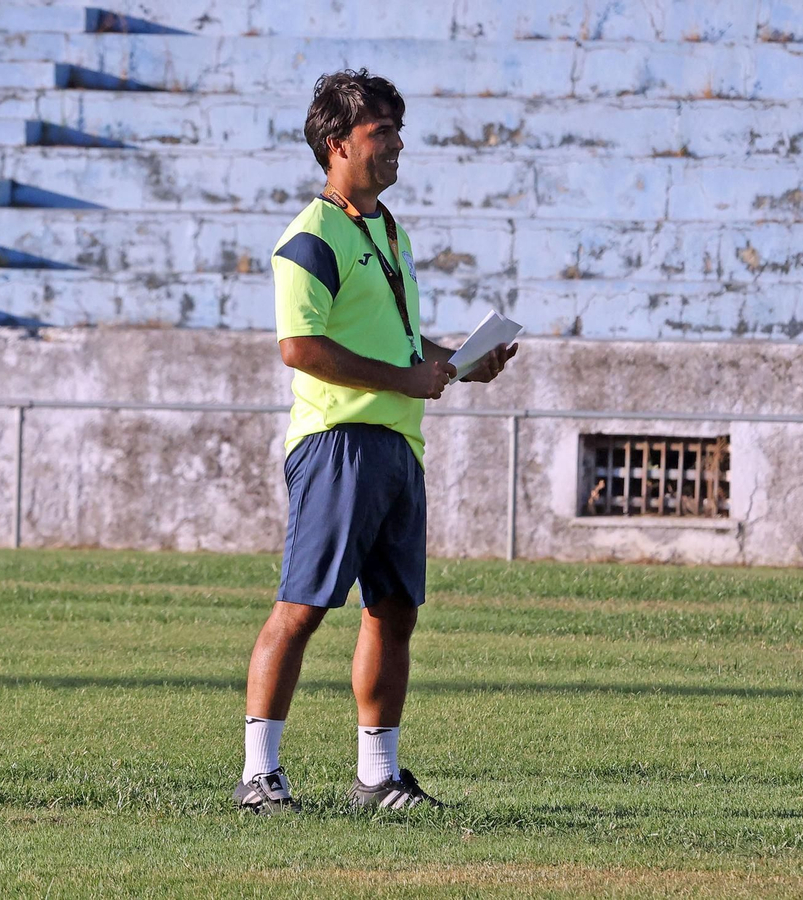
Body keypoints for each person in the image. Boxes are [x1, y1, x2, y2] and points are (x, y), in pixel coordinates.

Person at [233, 69, 518, 815]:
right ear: (337, 146)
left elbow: (394, 338)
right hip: (339, 441)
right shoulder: (310, 237)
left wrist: (455, 361)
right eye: (380, 133)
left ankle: (376, 778)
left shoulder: (389, 230)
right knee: (301, 605)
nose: (396, 146)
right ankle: (258, 775)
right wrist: (405, 377)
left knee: (393, 611)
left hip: (396, 442)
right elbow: (300, 347)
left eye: (397, 132)